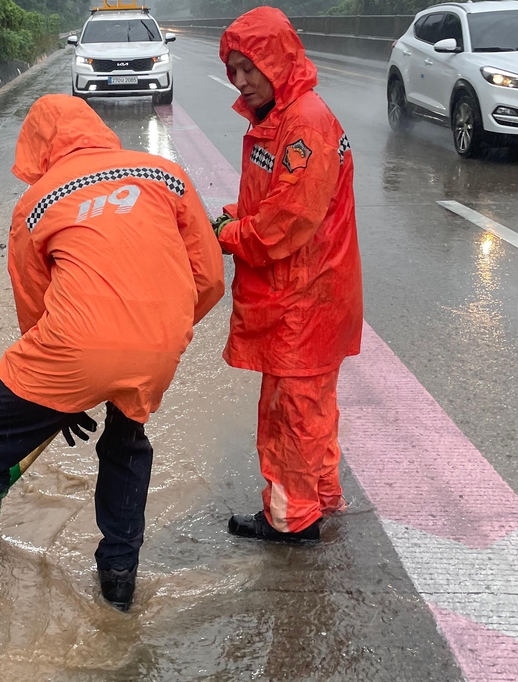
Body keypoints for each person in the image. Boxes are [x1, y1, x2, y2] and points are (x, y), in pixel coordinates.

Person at [0, 94, 226, 661]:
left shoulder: (38, 201)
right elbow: (209, 275)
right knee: (125, 441)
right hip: (163, 338)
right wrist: (158, 333)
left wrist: (60, 395)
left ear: (39, 147)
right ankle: (119, 582)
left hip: (73, 346)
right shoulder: (164, 174)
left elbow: (36, 313)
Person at [213, 7, 363, 543]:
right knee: (312, 406)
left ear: (277, 60)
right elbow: (275, 201)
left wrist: (227, 234)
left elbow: (285, 223)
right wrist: (236, 215)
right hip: (309, 293)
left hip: (304, 297)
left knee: (291, 413)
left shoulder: (304, 124)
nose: (241, 81)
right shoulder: (282, 118)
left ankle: (291, 519)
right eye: (233, 70)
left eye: (249, 67)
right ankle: (319, 498)